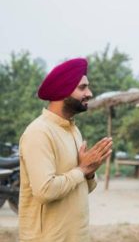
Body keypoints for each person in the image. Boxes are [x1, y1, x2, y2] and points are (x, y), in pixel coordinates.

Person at [19, 58, 113, 242]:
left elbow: (83, 189)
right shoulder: (39, 133)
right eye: (82, 88)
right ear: (63, 90)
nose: (89, 93)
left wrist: (89, 173)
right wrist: (82, 170)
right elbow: (45, 191)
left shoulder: (73, 130)